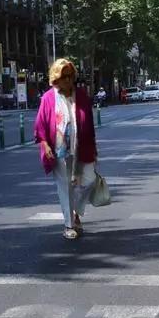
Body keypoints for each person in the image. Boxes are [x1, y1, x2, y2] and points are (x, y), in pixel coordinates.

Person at [34, 59, 98, 240]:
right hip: (58, 150)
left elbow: (90, 125)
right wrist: (45, 144)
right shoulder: (48, 98)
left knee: (89, 180)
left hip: (82, 147)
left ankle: (76, 209)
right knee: (65, 188)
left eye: (70, 76)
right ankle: (69, 225)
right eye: (64, 77)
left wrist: (95, 150)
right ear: (56, 79)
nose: (68, 80)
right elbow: (40, 125)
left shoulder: (82, 96)